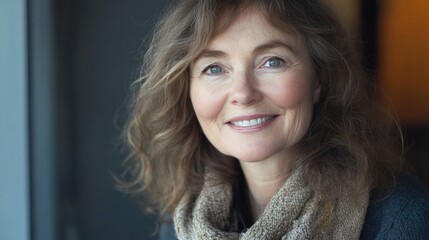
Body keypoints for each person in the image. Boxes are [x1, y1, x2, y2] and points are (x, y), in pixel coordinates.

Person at [123, 0, 429, 239]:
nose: (243, 93)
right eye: (214, 68)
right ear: (186, 90)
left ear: (318, 79)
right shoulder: (182, 221)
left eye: (272, 61)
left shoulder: (402, 219)